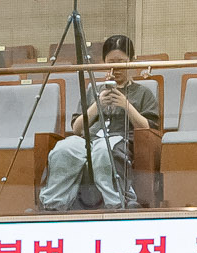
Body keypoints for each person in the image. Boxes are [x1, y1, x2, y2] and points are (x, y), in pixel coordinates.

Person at [36, 34, 157, 210]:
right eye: (110, 62)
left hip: (119, 140)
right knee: (63, 149)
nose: (116, 67)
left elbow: (147, 128)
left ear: (131, 61)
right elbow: (77, 129)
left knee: (103, 150)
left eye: (121, 61)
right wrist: (97, 104)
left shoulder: (143, 93)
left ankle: (116, 204)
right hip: (87, 140)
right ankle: (52, 205)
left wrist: (126, 105)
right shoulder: (94, 91)